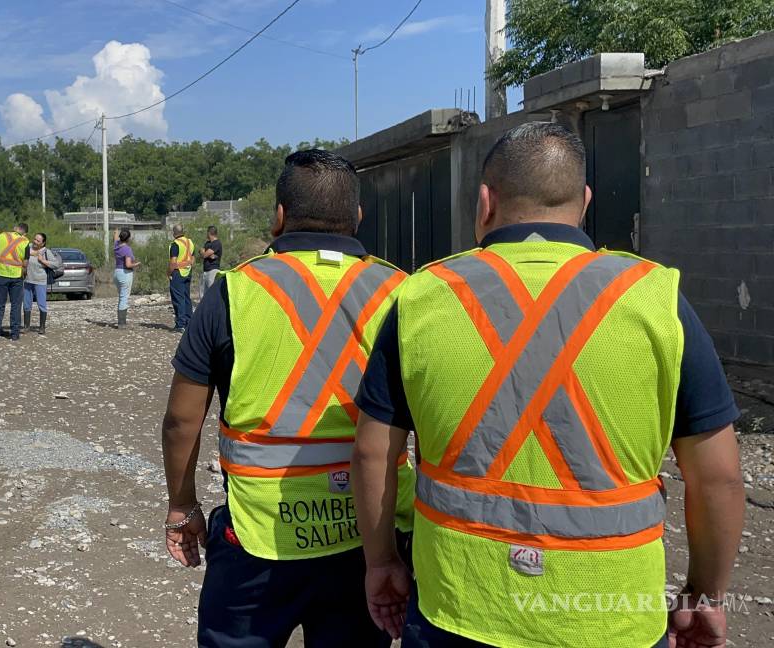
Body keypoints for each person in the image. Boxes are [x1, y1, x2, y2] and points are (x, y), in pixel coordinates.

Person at [351, 122, 744, 648]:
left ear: (485, 202)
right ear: (584, 203)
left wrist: (381, 562)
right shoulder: (656, 298)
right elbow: (717, 479)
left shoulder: (421, 298)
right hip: (613, 614)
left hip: (458, 608)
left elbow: (373, 454)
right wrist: (704, 595)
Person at [160, 149, 416, 648]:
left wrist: (182, 505)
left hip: (260, 532)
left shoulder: (234, 291)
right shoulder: (402, 292)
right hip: (371, 535)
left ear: (279, 216)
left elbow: (180, 420)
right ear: (357, 217)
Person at [0, 222, 30, 341]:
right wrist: (23, 272)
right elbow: (25, 263)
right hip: (17, 277)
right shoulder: (25, 242)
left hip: (1, 274)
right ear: (25, 232)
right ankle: (15, 333)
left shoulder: (2, 236)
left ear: (15, 228)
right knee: (16, 305)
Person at [24, 232, 59, 335]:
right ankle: (26, 327)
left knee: (41, 304)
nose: (35, 242)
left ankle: (42, 327)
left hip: (40, 281)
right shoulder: (27, 247)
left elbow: (56, 264)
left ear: (43, 243)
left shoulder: (46, 252)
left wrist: (43, 261)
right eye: (34, 239)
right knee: (26, 304)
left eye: (38, 241)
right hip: (27, 280)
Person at [167, 223, 195, 332]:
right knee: (186, 298)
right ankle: (189, 322)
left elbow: (173, 263)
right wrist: (188, 267)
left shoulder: (175, 244)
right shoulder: (190, 242)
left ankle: (180, 325)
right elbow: (192, 259)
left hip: (178, 273)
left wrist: (168, 273)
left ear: (174, 233)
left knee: (178, 299)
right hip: (188, 272)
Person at [113, 228, 140, 327]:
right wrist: (137, 264)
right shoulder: (127, 249)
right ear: (128, 239)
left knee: (121, 296)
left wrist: (115, 232)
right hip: (125, 273)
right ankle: (122, 323)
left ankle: (121, 321)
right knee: (124, 298)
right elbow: (128, 265)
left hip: (117, 273)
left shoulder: (116, 245)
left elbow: (115, 238)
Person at [198, 225, 222, 301]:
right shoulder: (207, 243)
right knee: (203, 294)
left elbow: (204, 254)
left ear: (209, 233)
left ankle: (213, 310)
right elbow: (202, 252)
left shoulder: (217, 243)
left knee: (212, 293)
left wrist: (205, 253)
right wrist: (207, 254)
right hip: (205, 271)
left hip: (213, 271)